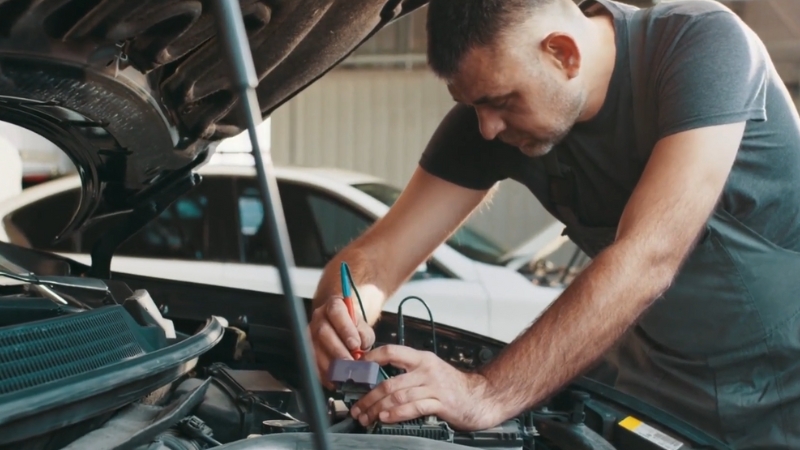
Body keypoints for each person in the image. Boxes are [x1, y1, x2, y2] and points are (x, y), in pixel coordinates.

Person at [307, 0, 800, 447]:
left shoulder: (701, 47)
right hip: (648, 398)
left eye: (500, 101)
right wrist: (341, 309)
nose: (486, 127)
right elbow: (378, 256)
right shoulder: (490, 118)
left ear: (563, 54)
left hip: (785, 395)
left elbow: (649, 255)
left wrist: (485, 392)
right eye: (473, 104)